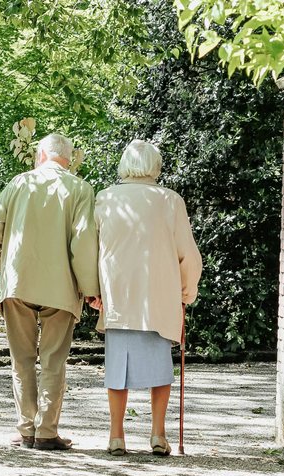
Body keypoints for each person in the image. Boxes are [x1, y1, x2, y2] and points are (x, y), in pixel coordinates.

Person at [0, 133, 101, 451]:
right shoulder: (81, 189)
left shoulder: (19, 183)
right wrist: (90, 289)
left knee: (21, 359)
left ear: (40, 156)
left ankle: (26, 430)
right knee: (53, 361)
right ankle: (46, 432)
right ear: (69, 159)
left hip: (19, 282)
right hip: (61, 286)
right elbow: (84, 241)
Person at [90, 139, 202, 456]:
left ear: (125, 165)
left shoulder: (105, 198)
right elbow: (189, 256)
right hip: (159, 297)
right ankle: (157, 434)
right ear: (155, 166)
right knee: (160, 369)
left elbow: (92, 250)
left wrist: (93, 291)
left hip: (119, 296)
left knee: (116, 369)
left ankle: (116, 436)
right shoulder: (170, 201)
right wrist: (186, 292)